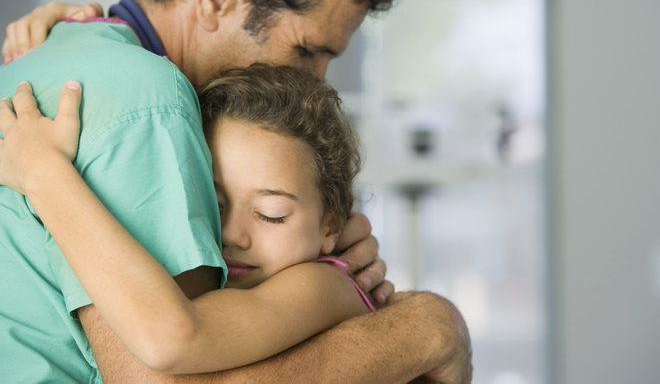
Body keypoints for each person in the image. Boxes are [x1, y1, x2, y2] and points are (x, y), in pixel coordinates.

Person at [0, 0, 472, 383]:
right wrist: (430, 330)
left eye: (269, 212)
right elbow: (167, 359)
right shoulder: (149, 102)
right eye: (307, 50)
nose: (317, 82)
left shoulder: (49, 57)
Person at [0, 63, 383, 372]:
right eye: (212, 204)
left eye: (271, 215)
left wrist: (43, 171)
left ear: (331, 225)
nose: (232, 235)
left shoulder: (326, 286)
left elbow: (175, 337)